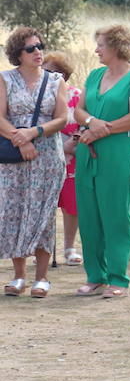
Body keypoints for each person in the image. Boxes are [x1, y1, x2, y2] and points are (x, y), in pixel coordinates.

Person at [71, 25, 130, 299]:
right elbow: (79, 110)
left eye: (101, 44)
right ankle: (96, 277)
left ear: (116, 46)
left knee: (116, 215)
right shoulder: (94, 75)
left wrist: (103, 129)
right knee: (89, 215)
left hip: (118, 152)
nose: (96, 50)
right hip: (87, 151)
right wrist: (93, 123)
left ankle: (119, 279)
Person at [0, 27, 68, 298]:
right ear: (18, 53)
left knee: (42, 214)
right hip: (14, 154)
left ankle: (42, 277)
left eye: (40, 46)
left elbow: (62, 118)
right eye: (31, 48)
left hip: (48, 156)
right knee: (15, 211)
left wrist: (35, 132)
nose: (38, 52)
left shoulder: (56, 80)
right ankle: (19, 276)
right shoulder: (5, 80)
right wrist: (22, 139)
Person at [41, 51, 82, 267]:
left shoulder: (77, 95)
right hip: (43, 155)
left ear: (64, 75)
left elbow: (82, 125)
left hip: (71, 156)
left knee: (70, 205)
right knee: (44, 204)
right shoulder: (36, 95)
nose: (48, 76)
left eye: (53, 72)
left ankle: (69, 247)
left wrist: (69, 146)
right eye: (45, 71)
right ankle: (42, 249)